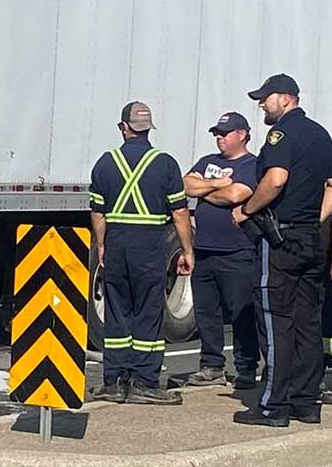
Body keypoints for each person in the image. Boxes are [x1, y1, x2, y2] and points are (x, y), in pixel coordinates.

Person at [232, 74, 332, 426]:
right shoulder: (322, 135)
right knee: (308, 323)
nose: (261, 104)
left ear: (286, 99)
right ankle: (306, 403)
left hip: (281, 241)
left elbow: (275, 179)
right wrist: (312, 220)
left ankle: (274, 405)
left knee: (276, 321)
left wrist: (247, 210)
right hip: (310, 238)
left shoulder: (281, 134)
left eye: (266, 98)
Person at [89, 101, 194, 405]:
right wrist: (186, 250)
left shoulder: (106, 163)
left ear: (123, 128)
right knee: (148, 313)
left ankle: (114, 380)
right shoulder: (165, 163)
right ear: (148, 129)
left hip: (118, 244)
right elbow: (179, 213)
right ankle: (145, 382)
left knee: (117, 311)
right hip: (149, 246)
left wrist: (102, 244)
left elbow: (98, 212)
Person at [183, 112, 259, 389]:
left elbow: (237, 195)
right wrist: (216, 184)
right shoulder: (208, 162)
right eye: (216, 133)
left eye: (225, 133)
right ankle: (211, 365)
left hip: (236, 252)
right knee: (206, 312)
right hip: (203, 249)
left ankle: (247, 367)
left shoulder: (252, 164)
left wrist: (205, 190)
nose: (219, 138)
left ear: (242, 134)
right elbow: (185, 185)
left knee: (240, 312)